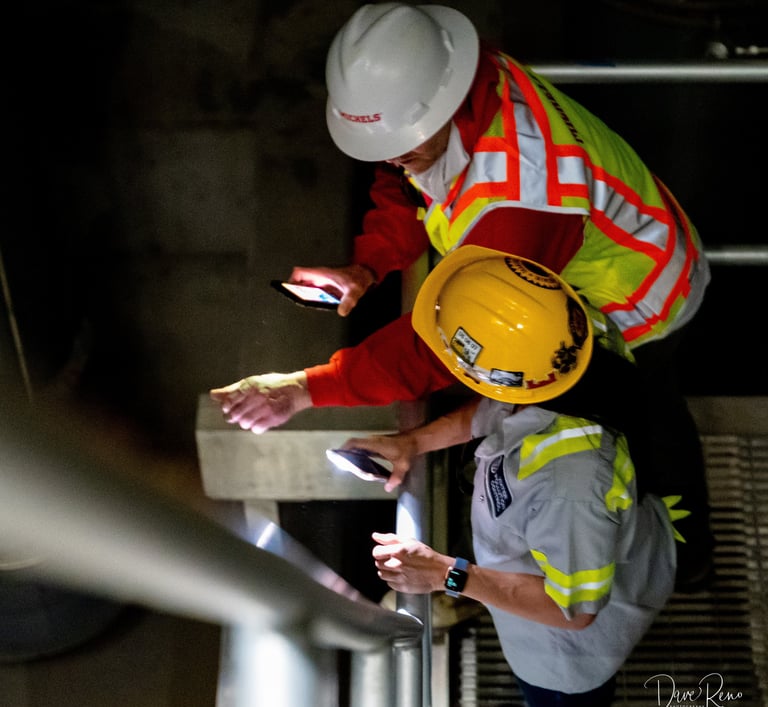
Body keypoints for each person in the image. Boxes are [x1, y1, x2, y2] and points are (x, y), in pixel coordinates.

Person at [210, 3, 713, 588]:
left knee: (646, 417)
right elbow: (407, 180)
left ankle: (688, 554)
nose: (394, 157)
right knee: (635, 414)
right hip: (597, 270)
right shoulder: (456, 91)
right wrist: (368, 267)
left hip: (639, 305)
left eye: (400, 143)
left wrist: (309, 388)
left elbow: (449, 342)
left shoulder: (521, 196)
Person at [339, 247, 681, 706]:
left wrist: (447, 574)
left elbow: (573, 610)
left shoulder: (572, 483)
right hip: (589, 544)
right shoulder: (569, 337)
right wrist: (413, 443)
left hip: (564, 659)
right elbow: (499, 407)